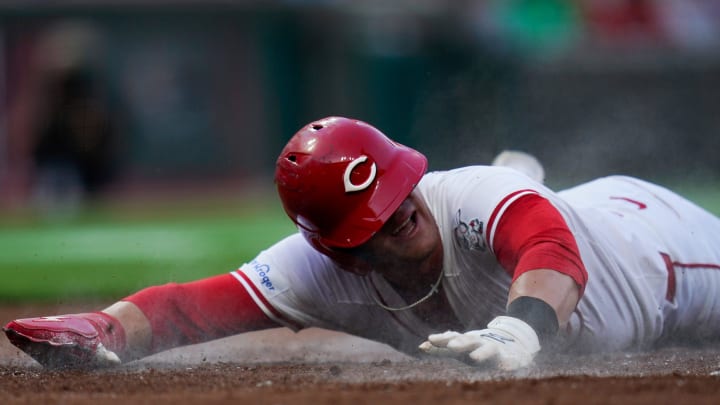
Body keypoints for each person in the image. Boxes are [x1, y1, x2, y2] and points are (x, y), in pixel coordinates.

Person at [5, 116, 720, 371]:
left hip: (655, 248)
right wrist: (105, 330)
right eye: (374, 214)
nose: (401, 210)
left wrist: (521, 326)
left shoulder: (465, 197)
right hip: (563, 226)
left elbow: (550, 247)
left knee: (521, 207)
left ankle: (527, 183)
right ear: (337, 249)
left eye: (397, 188)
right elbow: (192, 306)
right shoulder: (319, 271)